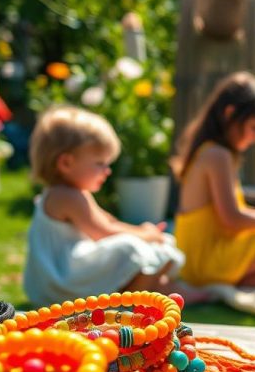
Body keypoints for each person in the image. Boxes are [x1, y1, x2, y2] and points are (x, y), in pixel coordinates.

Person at [23, 105, 198, 307]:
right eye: (100, 163)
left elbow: (109, 221)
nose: (107, 171)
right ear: (66, 163)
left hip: (68, 274)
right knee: (131, 249)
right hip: (63, 281)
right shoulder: (66, 195)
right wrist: (145, 235)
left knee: (155, 246)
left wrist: (143, 231)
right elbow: (103, 232)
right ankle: (130, 303)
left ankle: (159, 290)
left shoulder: (72, 193)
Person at [173, 72, 255, 287]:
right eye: (254, 128)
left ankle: (242, 280)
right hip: (204, 261)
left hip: (202, 257)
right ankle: (235, 281)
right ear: (230, 114)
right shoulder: (217, 155)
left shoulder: (213, 152)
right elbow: (232, 219)